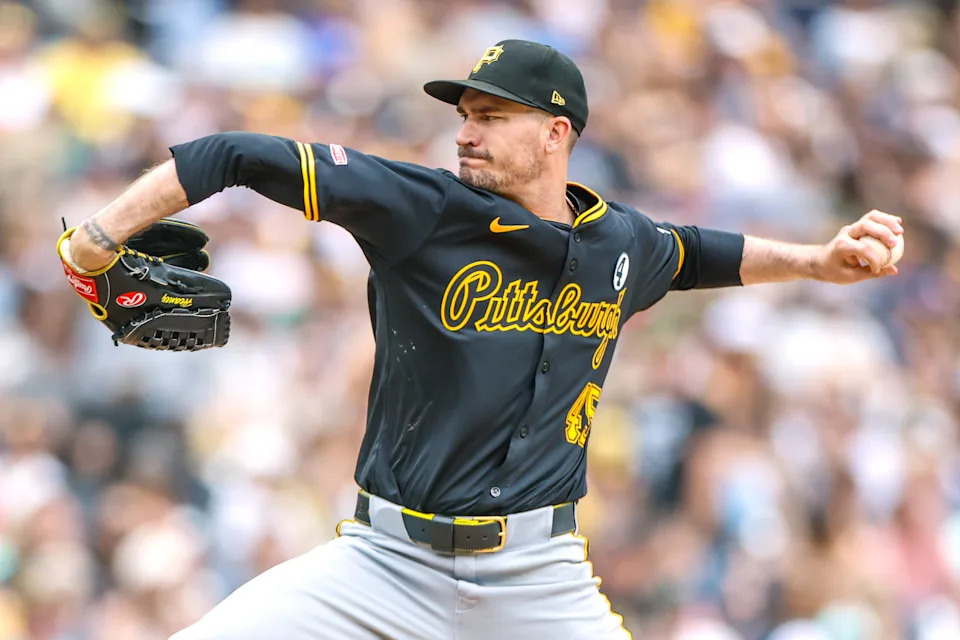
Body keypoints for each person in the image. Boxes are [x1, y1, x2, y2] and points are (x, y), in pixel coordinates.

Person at [62, 40, 903, 640]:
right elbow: (233, 153)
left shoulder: (622, 242)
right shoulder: (420, 208)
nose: (465, 131)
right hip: (381, 568)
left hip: (539, 580)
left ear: (556, 133)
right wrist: (96, 239)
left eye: (492, 116)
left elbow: (701, 254)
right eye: (465, 113)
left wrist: (819, 261)